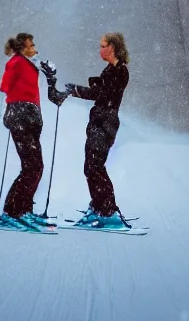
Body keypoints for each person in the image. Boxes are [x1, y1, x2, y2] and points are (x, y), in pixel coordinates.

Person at [64, 32, 130, 229]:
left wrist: (74, 90)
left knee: (95, 166)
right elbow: (100, 90)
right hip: (99, 121)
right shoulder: (109, 70)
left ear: (113, 48)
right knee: (91, 166)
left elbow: (101, 94)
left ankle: (108, 212)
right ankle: (99, 207)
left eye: (103, 46)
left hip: (105, 122)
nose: (100, 49)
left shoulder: (120, 71)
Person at [0, 32, 54, 229]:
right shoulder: (16, 62)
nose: (35, 49)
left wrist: (46, 71)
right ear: (21, 48)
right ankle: (13, 212)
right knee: (33, 167)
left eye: (34, 45)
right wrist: (19, 100)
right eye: (30, 46)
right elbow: (4, 86)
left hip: (29, 117)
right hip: (20, 116)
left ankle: (22, 209)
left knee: (34, 167)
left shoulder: (28, 63)